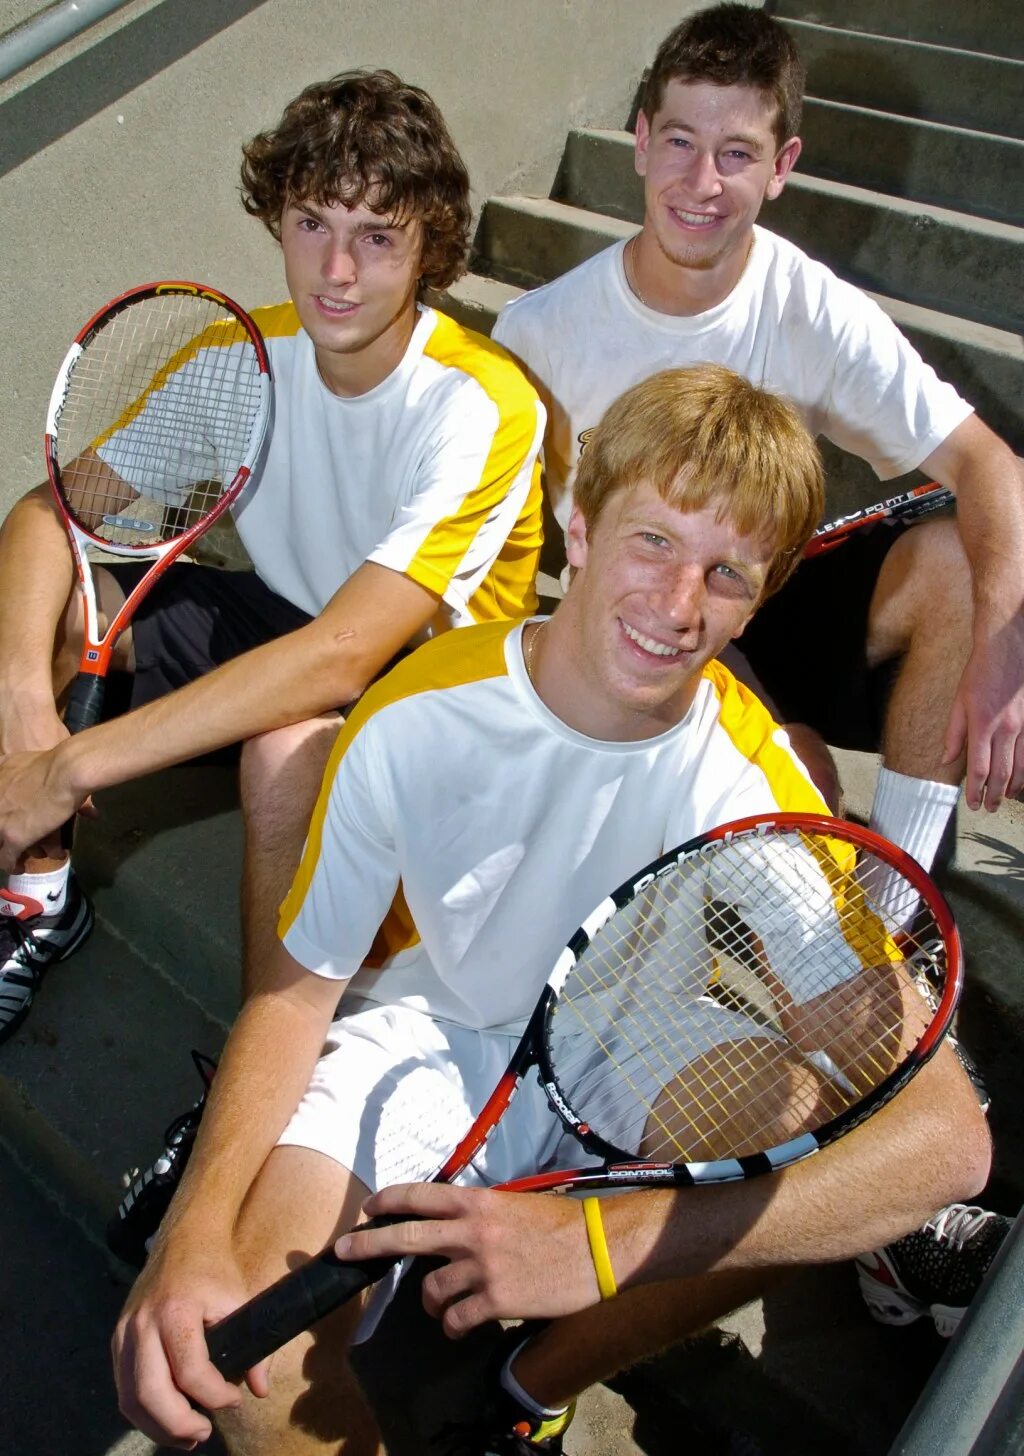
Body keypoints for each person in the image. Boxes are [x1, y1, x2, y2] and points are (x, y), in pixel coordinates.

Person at [111, 366, 990, 1456]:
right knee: (242, 1363)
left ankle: (526, 1381)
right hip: (434, 1032)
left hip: (633, 1042)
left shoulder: (753, 777)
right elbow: (295, 1001)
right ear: (578, 525)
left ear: (761, 598)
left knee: (813, 1145)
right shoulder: (419, 710)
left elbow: (947, 1145)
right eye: (652, 541)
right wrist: (188, 1234)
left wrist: (604, 1245)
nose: (677, 605)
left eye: (726, 571)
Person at [0, 69, 545, 1050]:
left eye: (376, 237)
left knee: (284, 749)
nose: (335, 270)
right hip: (279, 615)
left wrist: (67, 761)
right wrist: (23, 703)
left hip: (437, 679)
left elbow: (342, 657)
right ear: (276, 218)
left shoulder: (481, 401)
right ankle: (37, 895)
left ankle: (271, 1063)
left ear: (429, 250)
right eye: (311, 224)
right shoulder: (240, 354)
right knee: (45, 611)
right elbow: (47, 512)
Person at [492, 2, 1024, 863]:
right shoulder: (539, 334)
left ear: (782, 168)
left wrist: (1005, 649)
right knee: (800, 790)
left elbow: (988, 463)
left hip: (763, 594)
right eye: (679, 142)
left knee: (960, 560)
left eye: (736, 154)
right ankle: (784, 813)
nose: (701, 182)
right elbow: (501, 552)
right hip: (643, 618)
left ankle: (901, 901)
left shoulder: (811, 307)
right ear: (638, 139)